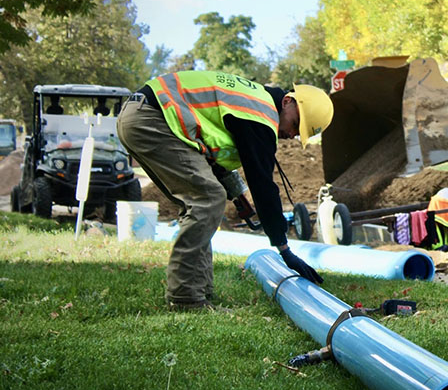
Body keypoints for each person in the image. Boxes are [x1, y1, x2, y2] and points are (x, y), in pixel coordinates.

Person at [116, 71, 334, 311]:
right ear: (287, 101)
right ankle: (185, 298)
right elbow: (262, 184)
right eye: (295, 124)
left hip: (144, 116)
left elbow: (212, 156)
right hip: (153, 118)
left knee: (202, 201)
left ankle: (200, 293)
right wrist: (284, 248)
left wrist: (236, 193)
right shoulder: (260, 114)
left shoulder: (252, 101)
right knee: (207, 199)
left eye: (297, 134)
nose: (291, 135)